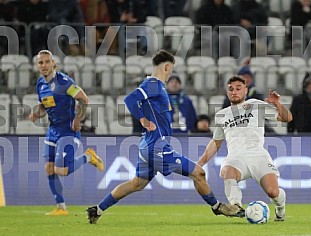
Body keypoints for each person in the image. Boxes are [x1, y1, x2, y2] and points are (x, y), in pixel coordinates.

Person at [86, 49, 241, 224]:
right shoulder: (153, 84)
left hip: (148, 144)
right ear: (167, 67)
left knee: (137, 184)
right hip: (157, 147)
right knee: (199, 173)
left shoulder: (154, 86)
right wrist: (143, 119)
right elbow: (130, 99)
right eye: (171, 70)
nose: (171, 74)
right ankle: (218, 207)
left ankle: (97, 210)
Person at [198, 75, 293, 221]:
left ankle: (280, 210)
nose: (234, 92)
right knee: (226, 170)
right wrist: (200, 164)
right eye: (231, 89)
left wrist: (278, 104)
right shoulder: (222, 115)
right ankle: (235, 206)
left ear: (245, 90)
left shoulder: (255, 105)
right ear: (227, 92)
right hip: (235, 158)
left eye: (238, 88)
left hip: (258, 155)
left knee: (273, 192)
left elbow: (287, 118)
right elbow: (216, 142)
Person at [28, 50, 104, 215]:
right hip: (53, 130)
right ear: (37, 65)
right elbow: (44, 106)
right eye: (41, 63)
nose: (44, 65)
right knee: (49, 169)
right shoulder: (41, 84)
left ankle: (88, 157)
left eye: (47, 62)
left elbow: (84, 99)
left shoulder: (64, 82)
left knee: (61, 170)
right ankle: (61, 207)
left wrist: (78, 119)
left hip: (68, 132)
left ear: (53, 63)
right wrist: (36, 114)